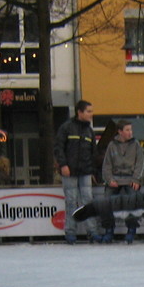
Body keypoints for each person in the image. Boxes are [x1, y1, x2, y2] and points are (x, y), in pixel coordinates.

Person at [54, 99, 98, 244]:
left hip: (85, 171)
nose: (91, 114)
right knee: (71, 201)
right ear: (80, 112)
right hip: (69, 171)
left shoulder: (89, 131)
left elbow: (93, 153)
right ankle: (70, 231)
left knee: (88, 201)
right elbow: (59, 147)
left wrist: (92, 171)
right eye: (88, 111)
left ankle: (92, 231)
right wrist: (63, 165)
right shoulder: (66, 128)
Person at [100, 120, 144, 243]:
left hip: (130, 178)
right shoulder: (112, 145)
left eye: (131, 130)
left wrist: (136, 179)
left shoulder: (136, 145)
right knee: (106, 201)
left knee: (131, 200)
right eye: (127, 130)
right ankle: (109, 230)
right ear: (120, 132)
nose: (130, 132)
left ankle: (131, 230)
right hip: (115, 178)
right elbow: (107, 165)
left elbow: (140, 164)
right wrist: (109, 179)